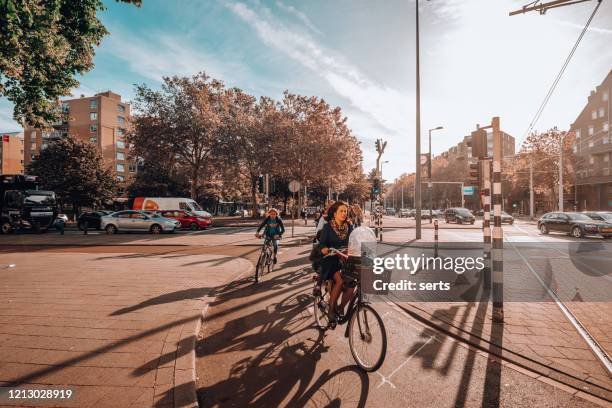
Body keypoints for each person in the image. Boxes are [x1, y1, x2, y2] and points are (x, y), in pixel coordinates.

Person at [319, 201, 354, 325]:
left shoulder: (349, 226)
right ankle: (331, 308)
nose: (344, 213)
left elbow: (354, 241)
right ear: (334, 213)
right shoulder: (328, 227)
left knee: (352, 282)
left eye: (345, 211)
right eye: (341, 211)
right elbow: (322, 243)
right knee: (339, 280)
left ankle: (341, 307)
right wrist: (324, 248)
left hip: (344, 258)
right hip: (330, 259)